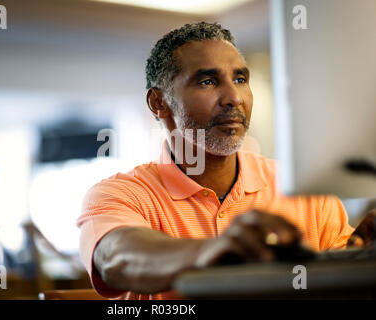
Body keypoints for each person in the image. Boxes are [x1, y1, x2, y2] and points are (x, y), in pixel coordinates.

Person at [76, 22, 375, 300]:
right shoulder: (120, 194)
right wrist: (214, 250)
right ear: (159, 102)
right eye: (207, 81)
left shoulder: (303, 187)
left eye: (240, 78)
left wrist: (362, 254)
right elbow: (115, 257)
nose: (234, 97)